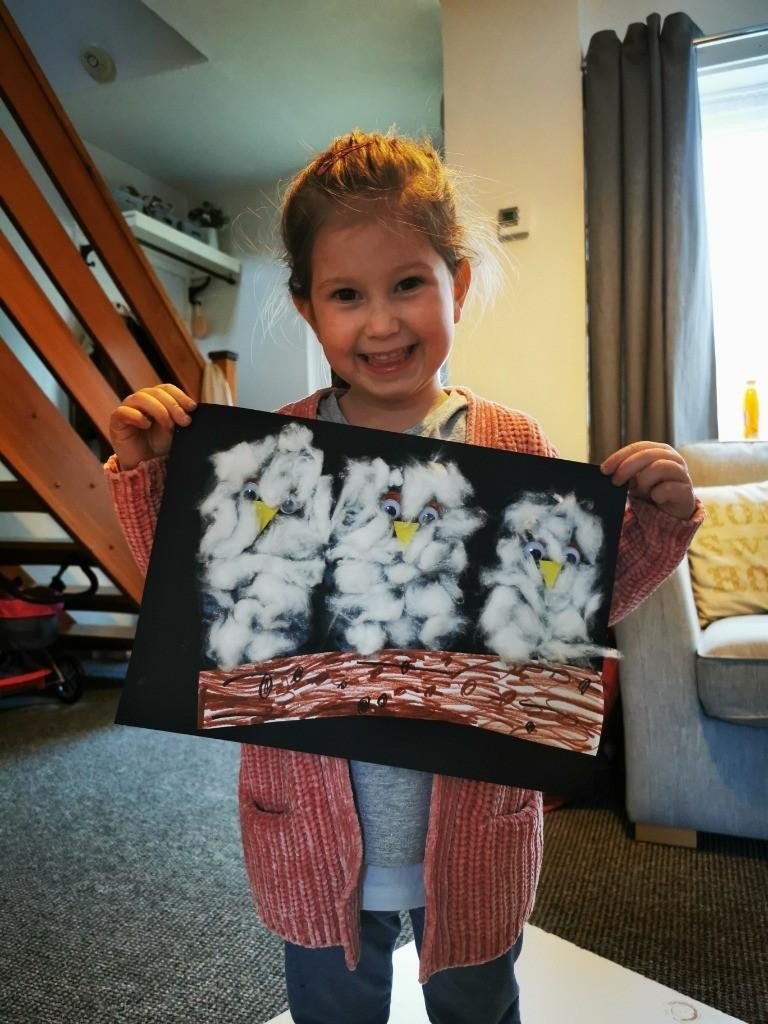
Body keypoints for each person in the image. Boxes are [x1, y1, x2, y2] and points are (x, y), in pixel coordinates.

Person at [106, 130, 703, 1024]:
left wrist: (654, 523)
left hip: (471, 837)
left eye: (409, 285)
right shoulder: (270, 450)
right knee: (333, 1011)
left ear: (456, 284)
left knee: (478, 1006)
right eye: (347, 295)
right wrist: (152, 472)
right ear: (307, 308)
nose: (381, 323)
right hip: (311, 834)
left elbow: (568, 620)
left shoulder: (513, 443)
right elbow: (195, 603)